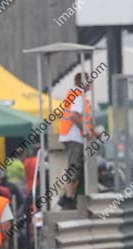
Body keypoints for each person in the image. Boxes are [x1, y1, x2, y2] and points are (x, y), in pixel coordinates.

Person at [58, 73, 96, 210]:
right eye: (90, 82)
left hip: (73, 136)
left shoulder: (77, 95)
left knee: (77, 169)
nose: (91, 85)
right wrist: (85, 130)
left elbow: (82, 118)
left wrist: (93, 131)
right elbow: (74, 116)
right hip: (74, 137)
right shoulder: (78, 96)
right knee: (74, 168)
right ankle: (68, 198)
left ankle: (68, 197)